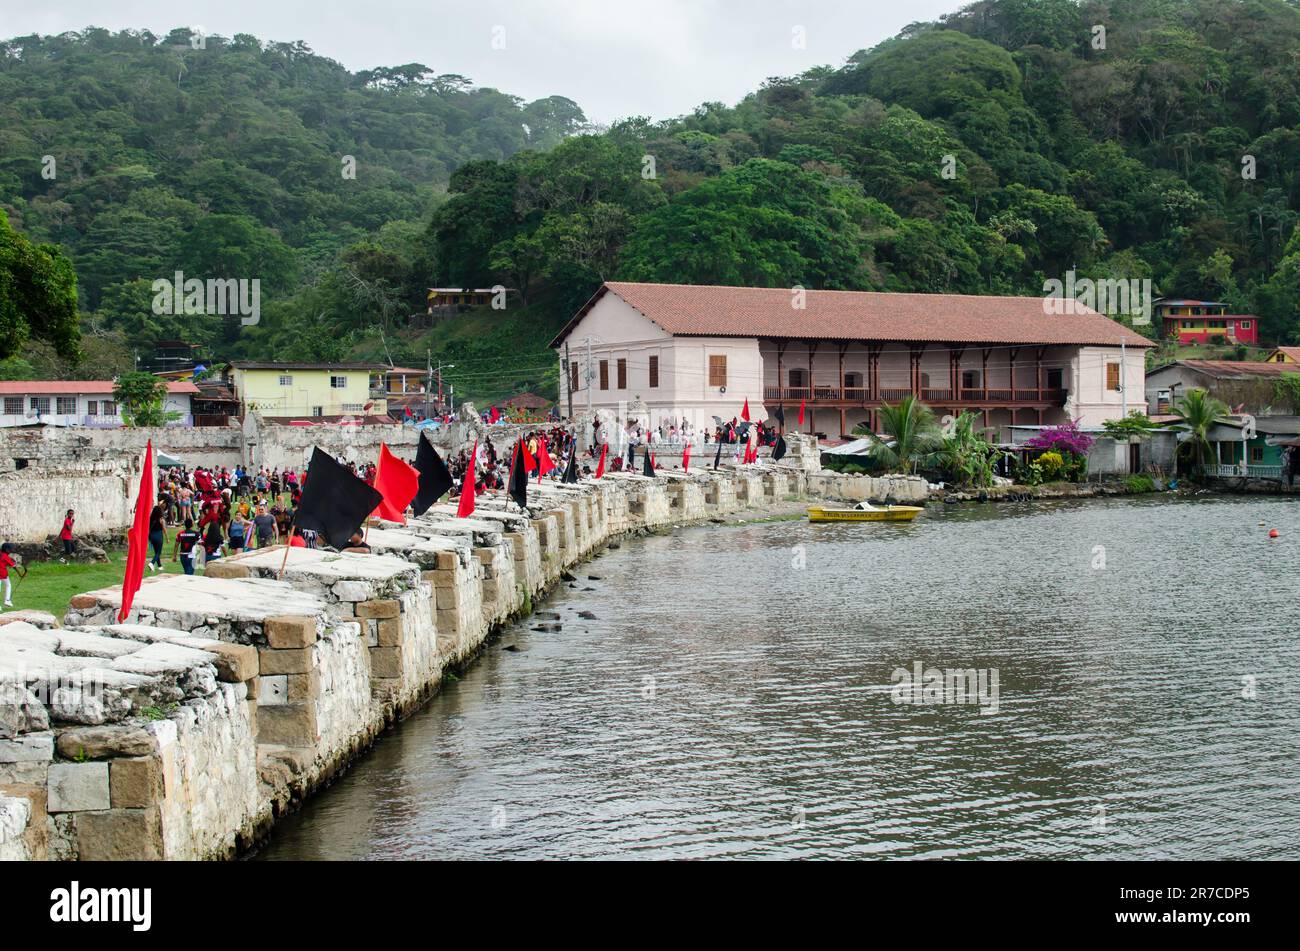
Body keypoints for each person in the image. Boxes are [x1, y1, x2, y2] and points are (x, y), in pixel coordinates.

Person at [0, 542, 26, 608]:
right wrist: (20, 575)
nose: (11, 551)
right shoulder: (6, 557)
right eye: (10, 549)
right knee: (8, 585)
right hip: (3, 574)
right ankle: (7, 600)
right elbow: (14, 567)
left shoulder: (1, 554)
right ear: (6, 549)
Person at [148, 502, 167, 571]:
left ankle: (159, 566)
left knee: (156, 551)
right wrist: (167, 538)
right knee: (159, 552)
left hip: (151, 536)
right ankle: (152, 563)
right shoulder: (161, 519)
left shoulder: (151, 519)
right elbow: (164, 529)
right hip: (158, 535)